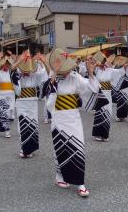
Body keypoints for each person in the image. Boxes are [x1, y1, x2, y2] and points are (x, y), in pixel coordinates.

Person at [42, 48, 102, 197]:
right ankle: (60, 176)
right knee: (60, 148)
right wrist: (54, 72)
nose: (68, 70)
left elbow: (91, 88)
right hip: (59, 118)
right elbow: (46, 94)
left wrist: (90, 72)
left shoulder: (75, 77)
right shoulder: (52, 77)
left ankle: (80, 182)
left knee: (78, 148)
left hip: (73, 118)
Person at [11, 50, 46, 158]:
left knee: (32, 124)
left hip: (33, 102)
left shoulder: (35, 74)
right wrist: (21, 59)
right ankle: (23, 148)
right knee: (22, 124)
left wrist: (43, 61)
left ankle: (30, 148)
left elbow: (47, 72)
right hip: (21, 101)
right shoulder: (17, 73)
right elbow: (11, 69)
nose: (26, 70)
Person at [92, 51, 126, 142]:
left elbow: (120, 72)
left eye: (104, 61)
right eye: (102, 61)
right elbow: (90, 74)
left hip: (107, 93)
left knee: (107, 112)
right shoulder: (97, 70)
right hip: (100, 94)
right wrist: (95, 65)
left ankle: (105, 135)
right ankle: (98, 134)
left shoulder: (111, 70)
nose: (103, 63)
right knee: (99, 112)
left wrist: (124, 66)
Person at [0, 53, 16, 138]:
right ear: (2, 65)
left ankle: (3, 122)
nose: (6, 65)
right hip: (2, 94)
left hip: (11, 94)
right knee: (5, 112)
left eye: (8, 64)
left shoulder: (11, 72)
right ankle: (7, 130)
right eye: (5, 64)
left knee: (10, 112)